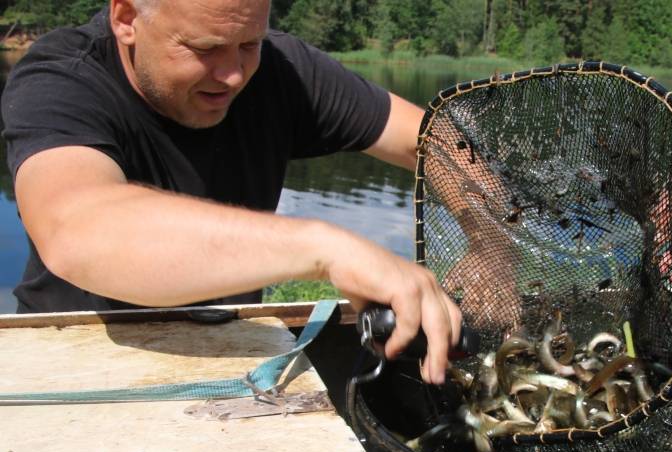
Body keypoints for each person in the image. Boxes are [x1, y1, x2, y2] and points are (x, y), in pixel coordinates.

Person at [0, 0, 460, 384]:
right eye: (205, 48)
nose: (234, 75)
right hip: (66, 360)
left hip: (230, 357)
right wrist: (326, 248)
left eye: (249, 44)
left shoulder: (282, 70)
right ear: (126, 20)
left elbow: (440, 144)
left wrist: (488, 248)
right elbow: (77, 228)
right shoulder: (62, 78)